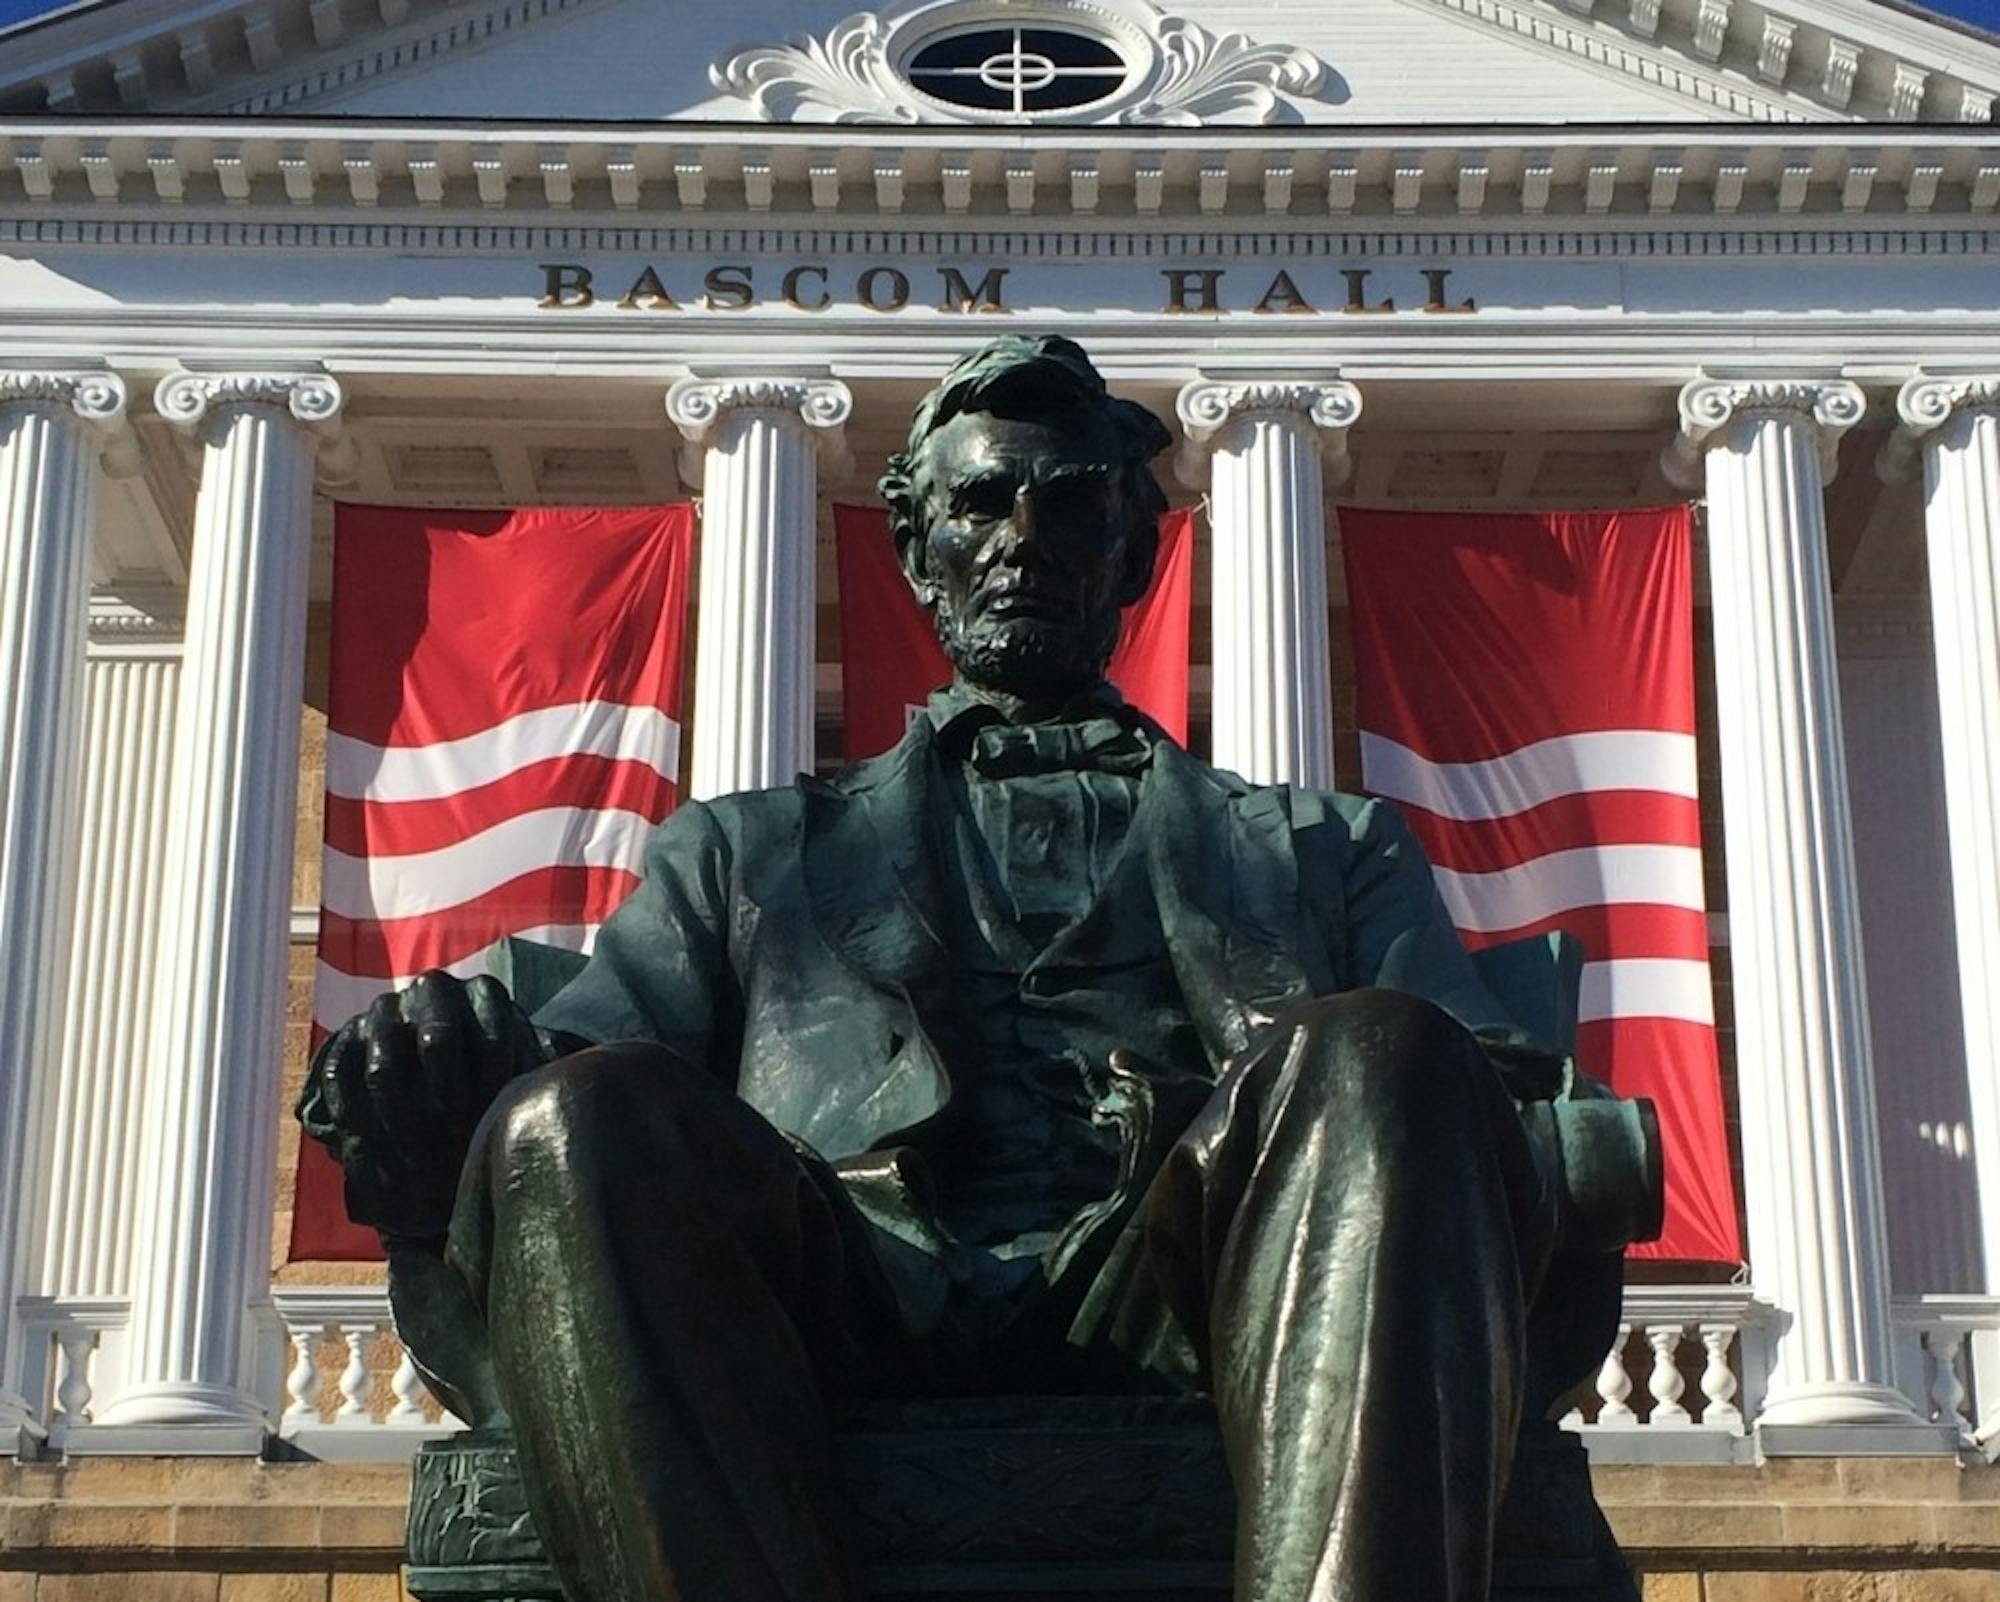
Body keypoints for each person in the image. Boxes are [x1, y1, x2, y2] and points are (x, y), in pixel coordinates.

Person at [300, 335, 1657, 1602]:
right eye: (983, 506)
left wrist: (1418, 1093)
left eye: (1070, 509)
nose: (1022, 543)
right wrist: (449, 1063)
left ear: (1135, 558)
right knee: (573, 1119)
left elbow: (1491, 1110)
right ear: (915, 546)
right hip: (845, 1291)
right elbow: (587, 1075)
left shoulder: (1328, 848)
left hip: (1202, 1283)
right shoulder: (746, 853)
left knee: (1380, 1048)